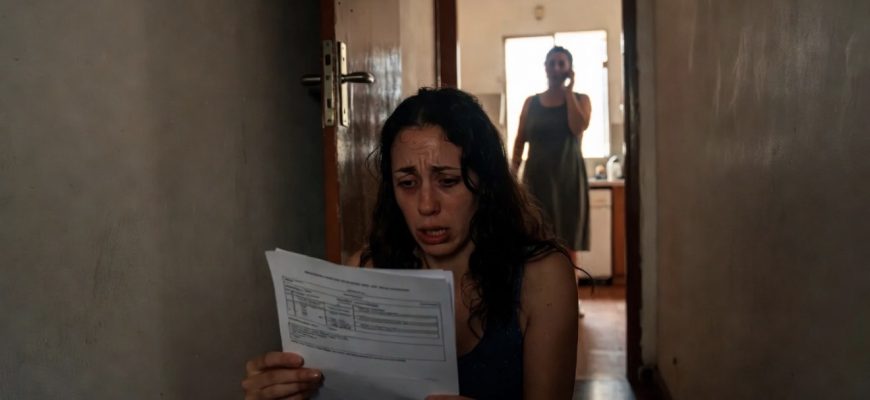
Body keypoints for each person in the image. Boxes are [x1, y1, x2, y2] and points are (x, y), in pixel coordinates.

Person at [242, 88, 578, 400]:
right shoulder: (366, 272)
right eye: (407, 183)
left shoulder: (542, 277)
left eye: (448, 181)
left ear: (486, 183)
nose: (426, 205)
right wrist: (284, 391)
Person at [510, 46, 593, 263]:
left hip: (568, 181)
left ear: (569, 69)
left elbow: (577, 127)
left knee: (567, 243)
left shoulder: (581, 99)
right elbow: (519, 141)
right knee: (535, 239)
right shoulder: (531, 102)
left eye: (561, 63)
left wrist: (569, 91)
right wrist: (511, 176)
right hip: (536, 180)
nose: (556, 68)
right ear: (545, 67)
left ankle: (569, 285)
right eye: (552, 63)